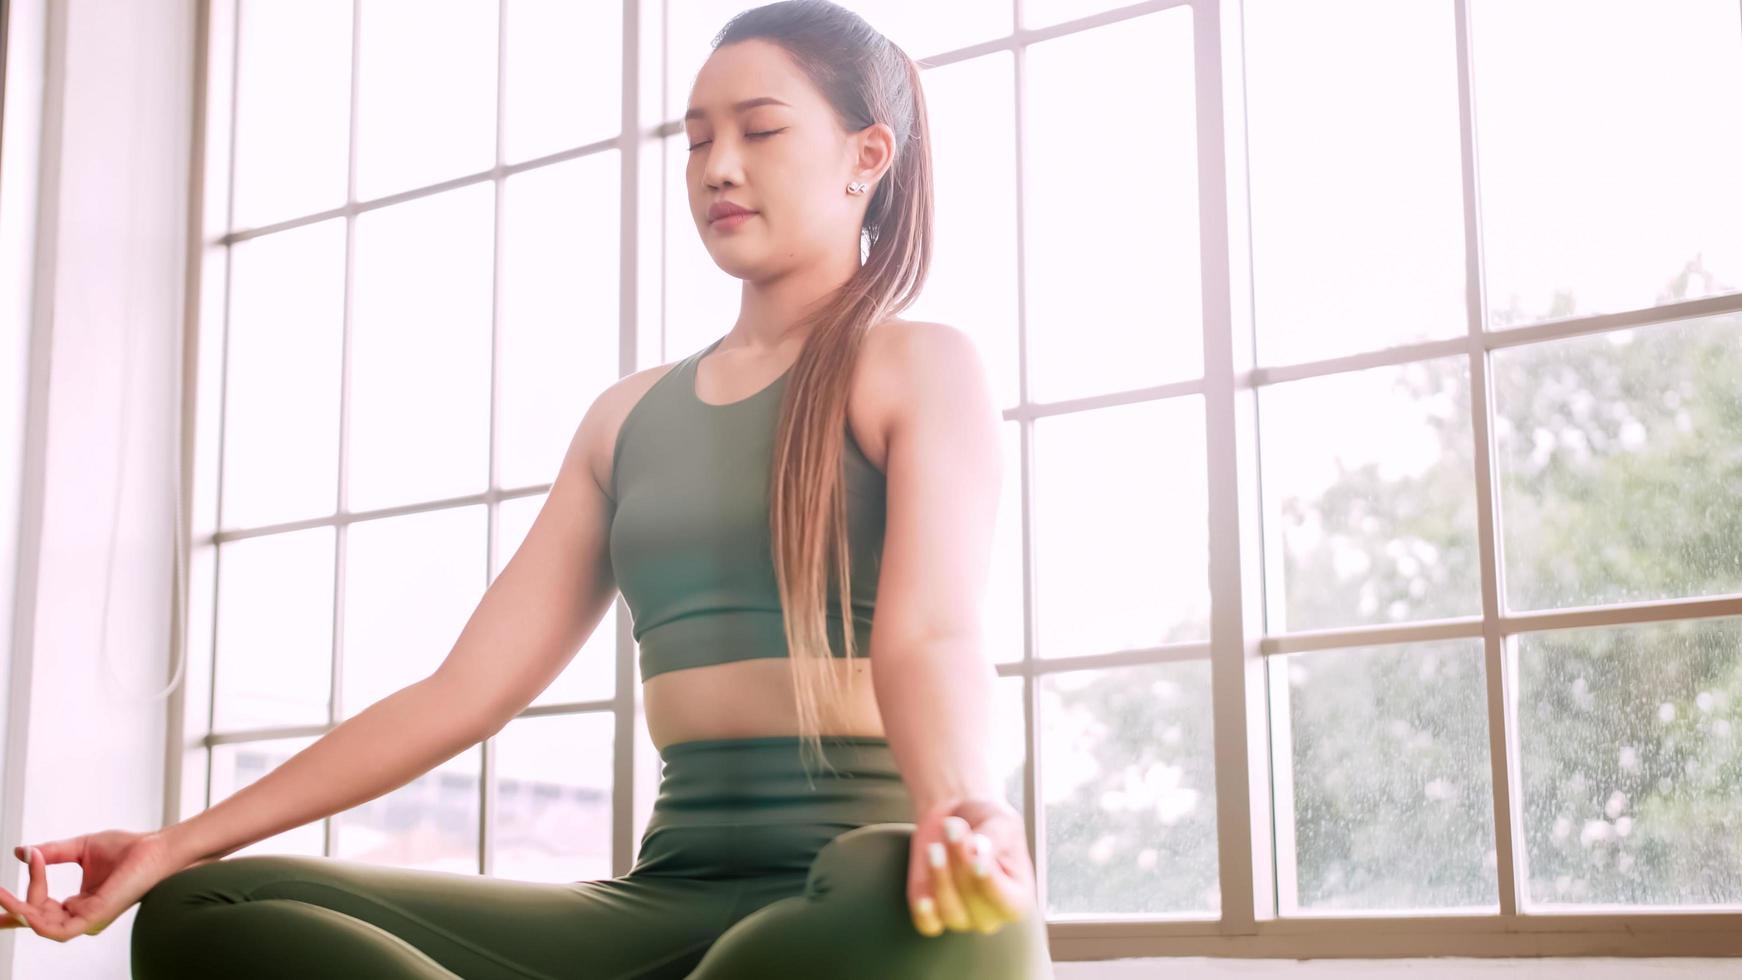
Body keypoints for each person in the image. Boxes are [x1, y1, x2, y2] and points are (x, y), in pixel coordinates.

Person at [0, 2, 1054, 976]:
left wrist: (964, 805)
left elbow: (928, 636)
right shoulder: (625, 418)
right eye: (694, 138)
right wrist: (170, 842)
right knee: (206, 907)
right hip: (661, 902)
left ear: (865, 156)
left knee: (914, 895)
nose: (717, 166)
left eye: (760, 130)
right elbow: (464, 691)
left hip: (856, 887)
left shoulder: (914, 363)